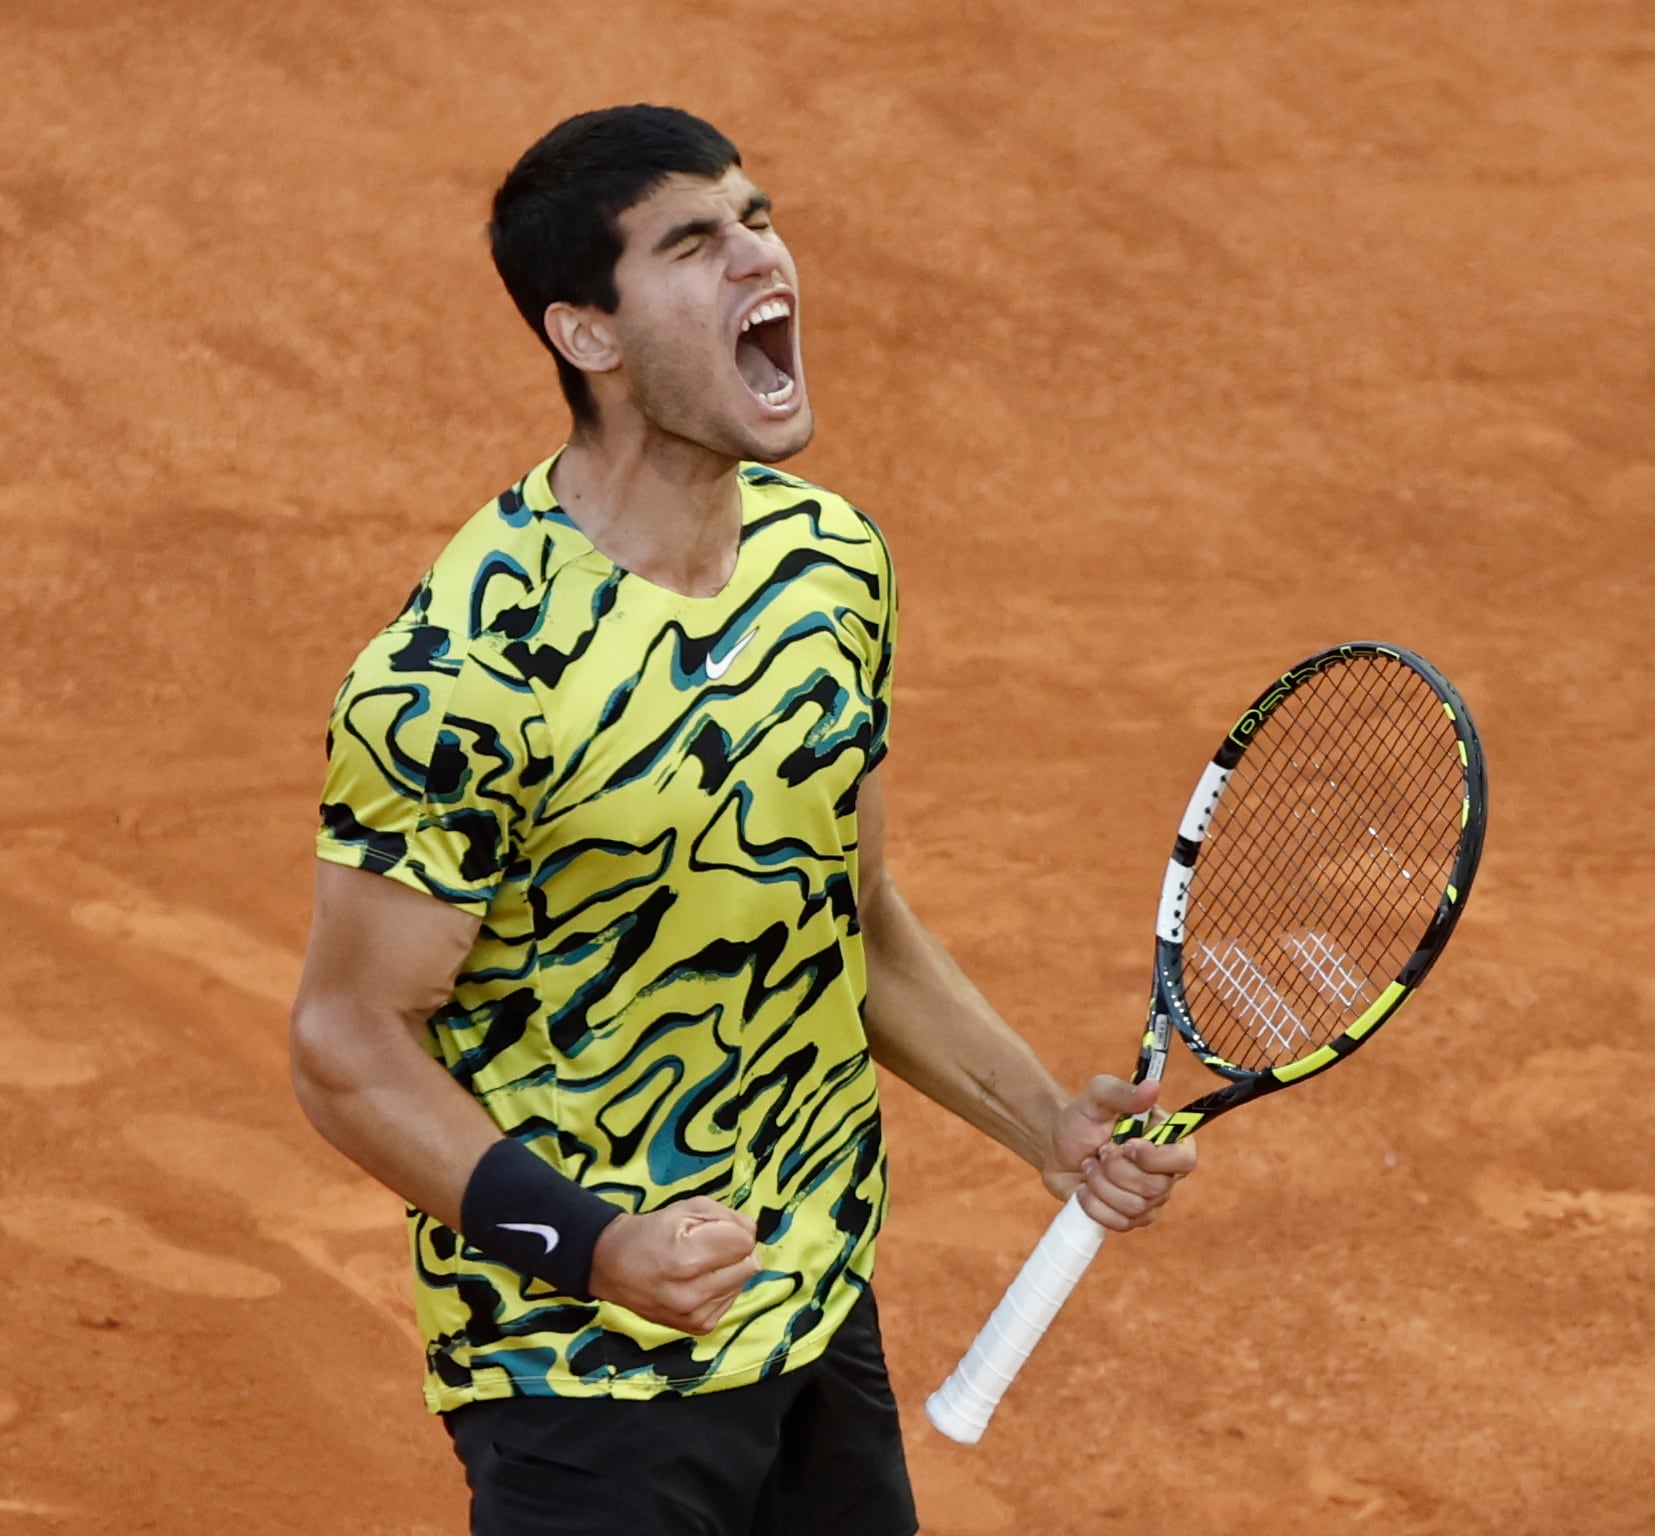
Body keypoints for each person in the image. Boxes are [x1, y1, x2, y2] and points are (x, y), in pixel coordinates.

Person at [288, 103, 1194, 1536]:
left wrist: (1049, 1127)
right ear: (587, 333)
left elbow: (855, 917)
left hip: (813, 1314)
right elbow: (345, 1046)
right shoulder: (464, 675)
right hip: (582, 1377)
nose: (756, 255)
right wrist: (596, 1251)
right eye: (694, 242)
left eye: (756, 218)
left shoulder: (824, 562)